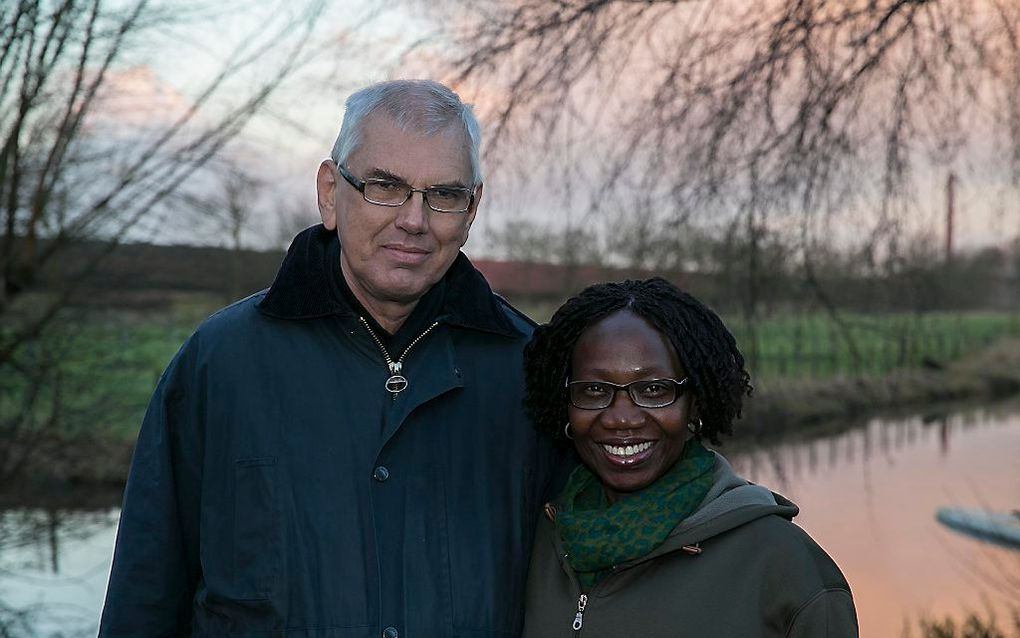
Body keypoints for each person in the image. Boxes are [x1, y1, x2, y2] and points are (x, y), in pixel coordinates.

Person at [99, 80, 559, 637]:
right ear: (328, 192)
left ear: (472, 209)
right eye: (385, 186)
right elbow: (145, 595)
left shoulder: (529, 371)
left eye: (444, 194)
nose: (414, 219)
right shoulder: (221, 364)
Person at [520, 278, 858, 637]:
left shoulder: (784, 566)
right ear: (564, 405)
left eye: (653, 390)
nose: (621, 418)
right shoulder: (541, 538)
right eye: (594, 390)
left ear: (693, 403)